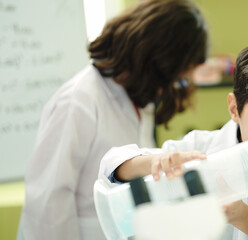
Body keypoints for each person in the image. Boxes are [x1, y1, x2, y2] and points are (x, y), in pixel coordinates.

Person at [99, 38, 248, 240]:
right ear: (234, 108)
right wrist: (152, 163)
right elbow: (112, 165)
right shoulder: (200, 148)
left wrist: (245, 218)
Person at [18, 0, 208, 239]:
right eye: (176, 77)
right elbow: (48, 202)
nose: (171, 88)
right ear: (155, 61)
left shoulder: (138, 100)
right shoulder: (78, 101)